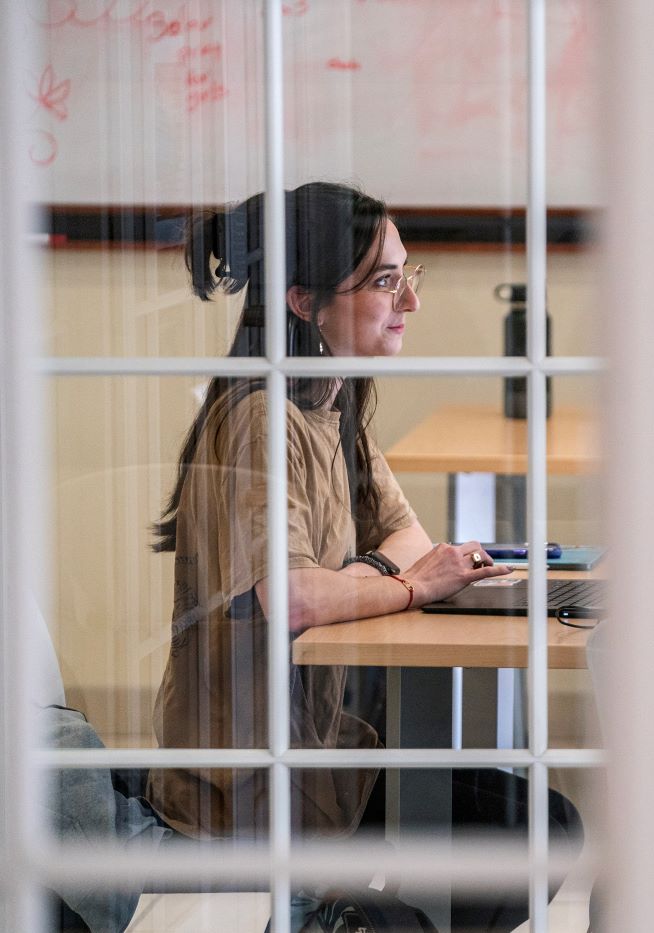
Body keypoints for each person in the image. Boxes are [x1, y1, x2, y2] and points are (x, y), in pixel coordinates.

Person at [143, 182, 580, 929]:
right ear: (302, 301)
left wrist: (383, 574)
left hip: (331, 749)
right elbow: (293, 595)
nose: (409, 301)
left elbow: (408, 536)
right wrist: (407, 588)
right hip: (254, 781)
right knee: (528, 833)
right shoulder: (261, 417)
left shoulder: (331, 402)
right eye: (385, 281)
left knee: (538, 825)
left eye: (408, 275)